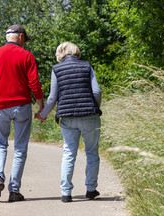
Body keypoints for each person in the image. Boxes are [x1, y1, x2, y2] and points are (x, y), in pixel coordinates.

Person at [0, 24, 44, 202]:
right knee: (20, 148)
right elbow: (34, 83)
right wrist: (41, 105)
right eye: (24, 39)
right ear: (20, 36)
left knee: (0, 144)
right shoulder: (27, 55)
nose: (24, 43)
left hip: (0, 107)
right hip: (22, 106)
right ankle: (14, 191)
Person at [35, 42, 102, 202]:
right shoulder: (87, 66)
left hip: (67, 118)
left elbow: (52, 97)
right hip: (89, 116)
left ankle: (66, 193)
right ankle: (91, 190)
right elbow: (97, 91)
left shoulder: (56, 70)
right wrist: (94, 107)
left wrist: (43, 114)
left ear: (60, 54)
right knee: (92, 153)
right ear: (76, 52)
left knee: (69, 154)